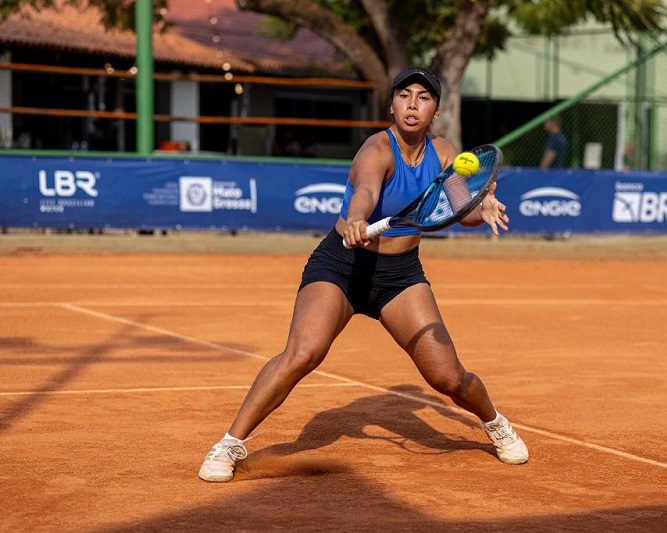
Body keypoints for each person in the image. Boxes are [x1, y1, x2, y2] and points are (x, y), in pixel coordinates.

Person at [198, 66, 529, 483]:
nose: (412, 103)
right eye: (404, 95)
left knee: (448, 376)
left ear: (435, 110)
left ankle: (495, 422)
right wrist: (356, 220)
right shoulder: (376, 150)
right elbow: (365, 194)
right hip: (342, 265)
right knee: (303, 352)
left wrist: (482, 211)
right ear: (390, 104)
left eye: (422, 97)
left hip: (400, 275)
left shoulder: (445, 155)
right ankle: (228, 443)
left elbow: (457, 209)